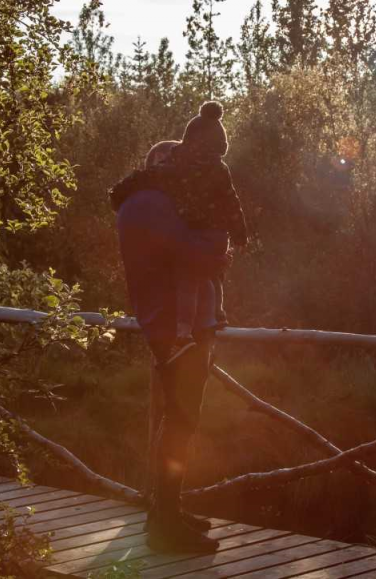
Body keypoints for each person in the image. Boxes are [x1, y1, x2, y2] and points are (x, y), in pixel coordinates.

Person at [113, 139, 228, 553]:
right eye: (180, 162)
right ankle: (165, 527)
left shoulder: (145, 202)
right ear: (162, 164)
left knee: (179, 420)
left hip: (176, 325)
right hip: (175, 329)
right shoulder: (151, 203)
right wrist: (218, 236)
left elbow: (184, 253)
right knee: (180, 422)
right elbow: (194, 253)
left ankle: (166, 511)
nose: (188, 172)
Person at [109, 101, 248, 353]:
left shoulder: (173, 170)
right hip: (212, 236)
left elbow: (144, 178)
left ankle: (185, 330)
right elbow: (232, 201)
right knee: (207, 273)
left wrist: (118, 195)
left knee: (189, 277)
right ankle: (212, 317)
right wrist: (239, 233)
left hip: (197, 234)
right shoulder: (217, 169)